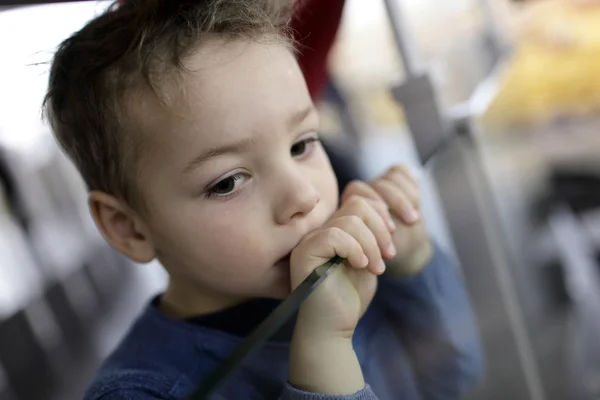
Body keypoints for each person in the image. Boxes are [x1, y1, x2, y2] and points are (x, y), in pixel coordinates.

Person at [44, 0, 483, 399]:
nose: (303, 196)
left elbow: (453, 381)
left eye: (302, 144)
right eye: (228, 182)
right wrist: (323, 349)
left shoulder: (353, 276)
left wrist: (413, 267)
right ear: (130, 227)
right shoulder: (139, 394)